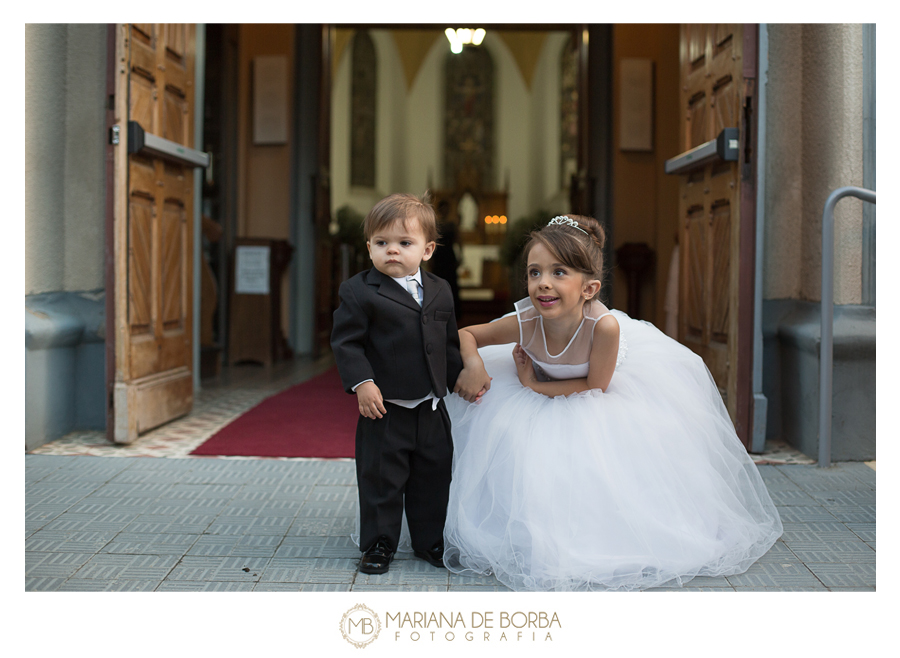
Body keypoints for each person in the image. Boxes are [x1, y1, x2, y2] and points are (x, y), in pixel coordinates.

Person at [446, 214, 783, 591]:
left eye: (559, 273)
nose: (543, 283)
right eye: (534, 272)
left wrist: (531, 384)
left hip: (590, 392)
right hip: (547, 384)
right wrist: (473, 364)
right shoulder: (525, 319)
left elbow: (594, 386)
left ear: (589, 288)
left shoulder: (603, 328)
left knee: (597, 460)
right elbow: (466, 334)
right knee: (506, 434)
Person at [331, 192, 467, 575]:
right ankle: (379, 543)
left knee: (433, 477)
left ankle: (430, 541)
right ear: (369, 247)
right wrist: (363, 382)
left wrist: (459, 378)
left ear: (427, 250)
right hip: (385, 410)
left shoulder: (440, 289)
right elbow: (347, 342)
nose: (392, 251)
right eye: (382, 243)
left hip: (431, 408)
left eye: (404, 243)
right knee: (381, 480)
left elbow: (448, 342)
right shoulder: (359, 291)